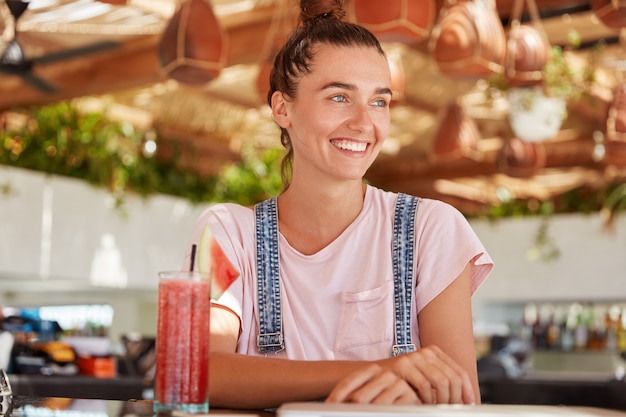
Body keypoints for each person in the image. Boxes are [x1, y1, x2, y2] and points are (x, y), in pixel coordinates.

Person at [183, 0, 493, 410]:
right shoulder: (227, 233)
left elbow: (457, 394)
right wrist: (378, 373)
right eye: (339, 98)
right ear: (282, 108)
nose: (365, 123)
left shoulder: (431, 229)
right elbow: (200, 372)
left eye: (379, 101)